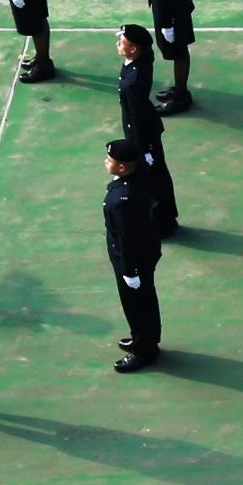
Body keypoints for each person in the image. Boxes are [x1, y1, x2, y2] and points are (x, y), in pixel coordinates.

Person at [115, 25, 180, 238]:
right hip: (144, 131)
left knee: (153, 179)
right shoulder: (137, 62)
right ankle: (163, 218)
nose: (118, 44)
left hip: (143, 136)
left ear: (134, 49)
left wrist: (144, 149)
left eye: (122, 42)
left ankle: (162, 223)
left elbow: (137, 117)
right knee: (154, 176)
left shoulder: (133, 83)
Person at [103, 139, 162, 371]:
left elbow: (128, 239)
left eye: (110, 160)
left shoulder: (122, 201)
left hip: (132, 260)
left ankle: (144, 350)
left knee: (137, 306)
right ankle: (145, 339)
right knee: (146, 301)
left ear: (122, 168)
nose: (105, 162)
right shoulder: (139, 177)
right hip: (145, 252)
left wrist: (131, 271)